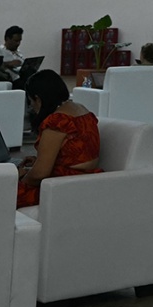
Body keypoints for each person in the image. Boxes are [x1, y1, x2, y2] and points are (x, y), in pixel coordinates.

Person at [16, 70, 100, 209]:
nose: (32, 107)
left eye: (31, 102)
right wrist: (39, 161)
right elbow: (74, 155)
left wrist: (20, 178)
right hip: (86, 180)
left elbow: (40, 174)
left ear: (38, 99)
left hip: (62, 186)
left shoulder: (57, 121)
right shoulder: (80, 109)